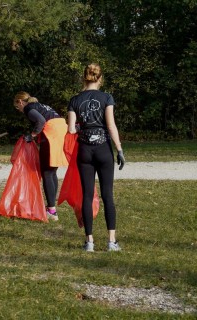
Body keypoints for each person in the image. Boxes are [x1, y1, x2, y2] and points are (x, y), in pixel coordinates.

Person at [67, 63, 125, 252]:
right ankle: (111, 241)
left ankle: (89, 242)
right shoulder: (106, 98)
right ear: (100, 78)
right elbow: (111, 126)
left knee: (87, 194)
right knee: (107, 194)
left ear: (84, 77)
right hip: (103, 150)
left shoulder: (75, 100)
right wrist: (119, 149)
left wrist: (81, 127)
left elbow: (71, 129)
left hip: (85, 150)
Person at [13, 92, 69, 221]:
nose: (19, 110)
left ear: (20, 102)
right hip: (61, 130)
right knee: (52, 171)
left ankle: (51, 211)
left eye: (17, 107)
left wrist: (32, 135)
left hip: (52, 133)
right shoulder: (38, 105)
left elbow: (41, 121)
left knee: (47, 173)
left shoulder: (28, 108)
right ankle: (52, 208)